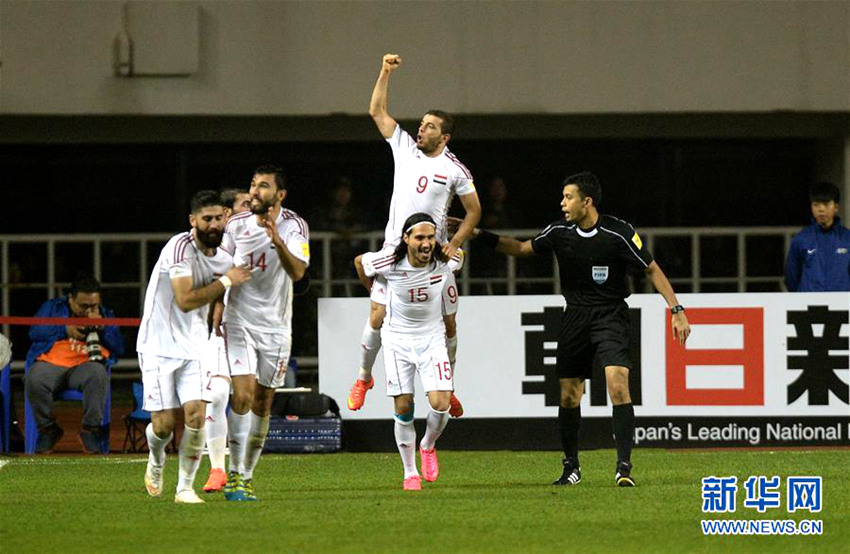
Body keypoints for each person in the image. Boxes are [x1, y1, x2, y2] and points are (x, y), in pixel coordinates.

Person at [467, 171, 690, 487]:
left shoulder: (619, 232)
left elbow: (651, 269)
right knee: (570, 394)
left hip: (611, 315)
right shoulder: (560, 232)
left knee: (617, 381)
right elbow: (520, 249)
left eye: (568, 197)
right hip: (575, 317)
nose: (562, 203)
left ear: (587, 202)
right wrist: (477, 234)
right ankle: (571, 466)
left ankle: (623, 468)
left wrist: (677, 310)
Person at [347, 53, 482, 417]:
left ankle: (447, 385)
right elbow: (377, 112)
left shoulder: (455, 169)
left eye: (429, 126)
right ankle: (363, 377)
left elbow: (474, 212)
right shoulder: (404, 148)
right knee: (377, 316)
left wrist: (453, 245)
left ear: (445, 135)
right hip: (395, 251)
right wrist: (384, 71)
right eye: (420, 124)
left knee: (449, 322)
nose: (420, 129)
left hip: (431, 254)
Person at [137, 190, 251, 504]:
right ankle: (156, 458)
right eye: (206, 219)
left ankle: (184, 488)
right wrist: (226, 283)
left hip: (196, 347)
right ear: (193, 221)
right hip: (158, 345)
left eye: (218, 218)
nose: (213, 225)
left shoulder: (226, 259)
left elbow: (216, 290)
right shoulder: (179, 248)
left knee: (196, 415)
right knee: (163, 425)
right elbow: (185, 300)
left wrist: (219, 302)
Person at [215, 164, 310, 502]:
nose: (255, 191)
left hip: (275, 327)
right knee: (240, 395)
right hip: (239, 320)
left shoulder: (295, 226)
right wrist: (217, 303)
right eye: (253, 185)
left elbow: (298, 272)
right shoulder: (236, 225)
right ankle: (235, 475)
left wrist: (277, 241)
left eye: (264, 186)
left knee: (263, 401)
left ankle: (248, 474)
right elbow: (220, 266)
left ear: (280, 195)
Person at [354, 213, 463, 491]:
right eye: (419, 238)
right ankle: (409, 472)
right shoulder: (389, 263)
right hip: (397, 340)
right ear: (406, 239)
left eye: (430, 237)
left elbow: (459, 251)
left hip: (432, 338)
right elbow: (359, 262)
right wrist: (374, 292)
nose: (426, 243)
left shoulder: (447, 262)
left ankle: (427, 445)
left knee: (440, 403)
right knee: (403, 407)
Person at [25, 273, 125, 454]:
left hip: (85, 366)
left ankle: (89, 429)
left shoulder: (105, 314)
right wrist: (64, 329)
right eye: (83, 306)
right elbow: (34, 331)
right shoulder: (53, 307)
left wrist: (103, 327)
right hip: (51, 363)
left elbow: (120, 347)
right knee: (34, 377)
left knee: (98, 374)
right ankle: (48, 429)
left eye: (93, 305)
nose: (88, 310)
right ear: (70, 299)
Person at [199, 187, 254, 493]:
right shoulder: (212, 248)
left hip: (254, 331)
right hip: (221, 331)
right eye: (245, 204)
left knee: (248, 400)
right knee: (218, 394)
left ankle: (241, 469)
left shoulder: (258, 240)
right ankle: (218, 468)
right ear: (228, 214)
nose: (252, 207)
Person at [785, 181, 850, 292]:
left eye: (826, 204)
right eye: (816, 205)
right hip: (810, 306)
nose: (821, 209)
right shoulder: (801, 239)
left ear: (836, 207)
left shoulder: (847, 238)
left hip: (842, 305)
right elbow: (791, 278)